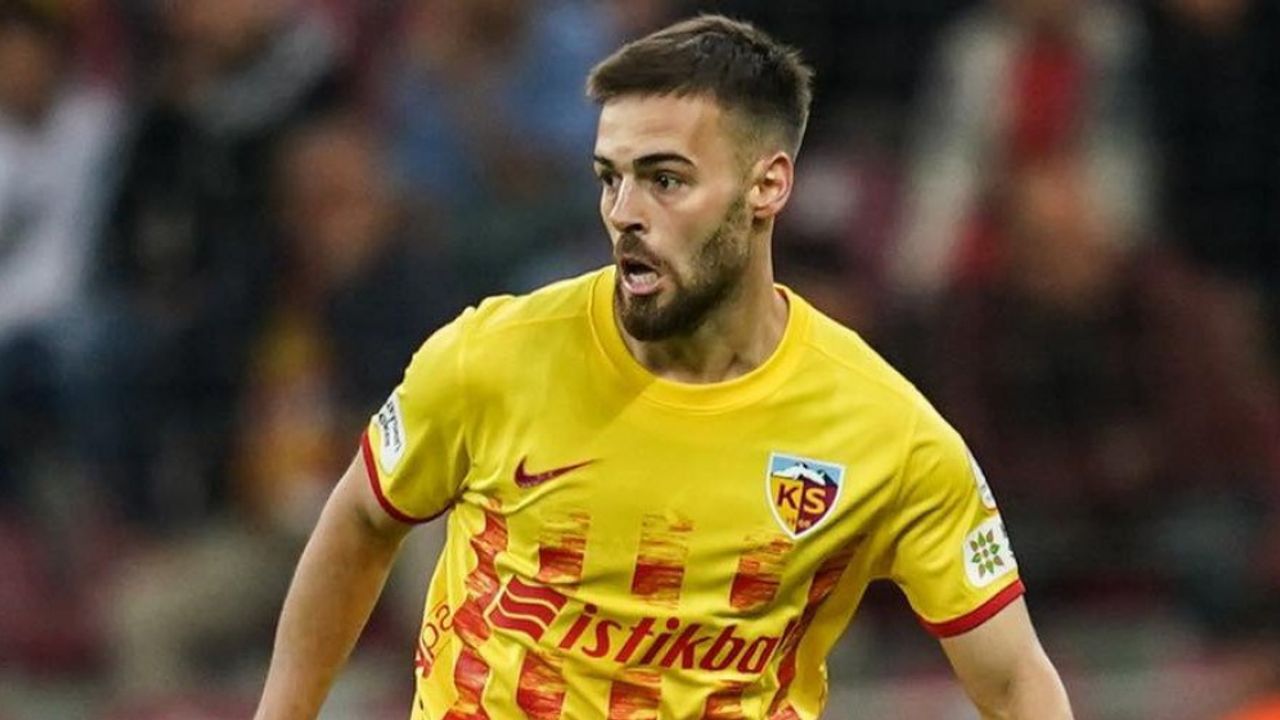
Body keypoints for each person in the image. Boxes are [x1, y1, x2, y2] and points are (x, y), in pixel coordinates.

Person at [256, 15, 1072, 719]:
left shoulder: (886, 434)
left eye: (665, 180)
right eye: (610, 179)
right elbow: (361, 519)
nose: (625, 214)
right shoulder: (489, 357)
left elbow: (1013, 680)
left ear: (767, 186)